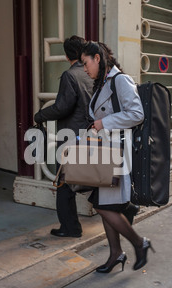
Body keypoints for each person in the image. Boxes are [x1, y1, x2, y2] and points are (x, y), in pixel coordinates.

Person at [80, 41, 155, 273]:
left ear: (97, 58)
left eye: (85, 63)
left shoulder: (120, 80)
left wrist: (104, 123)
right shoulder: (102, 84)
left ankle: (138, 243)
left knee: (104, 206)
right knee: (103, 204)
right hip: (103, 153)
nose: (84, 68)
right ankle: (116, 253)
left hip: (116, 153)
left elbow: (136, 114)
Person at [34, 35, 93, 238]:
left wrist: (39, 116)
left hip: (71, 138)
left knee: (64, 184)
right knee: (94, 179)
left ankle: (70, 227)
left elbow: (61, 108)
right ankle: (124, 208)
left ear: (67, 55)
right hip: (91, 135)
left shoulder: (70, 75)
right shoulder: (90, 74)